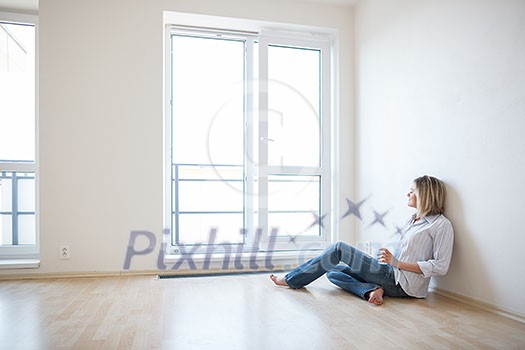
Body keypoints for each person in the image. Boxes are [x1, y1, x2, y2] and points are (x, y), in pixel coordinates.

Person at [270, 175, 454, 306]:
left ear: (425, 195)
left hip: (402, 284)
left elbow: (440, 266)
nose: (408, 194)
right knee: (332, 270)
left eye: (412, 191)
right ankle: (371, 289)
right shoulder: (413, 219)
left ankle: (291, 279)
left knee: (339, 249)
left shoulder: (441, 225)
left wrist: (397, 262)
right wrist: (387, 259)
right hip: (390, 273)